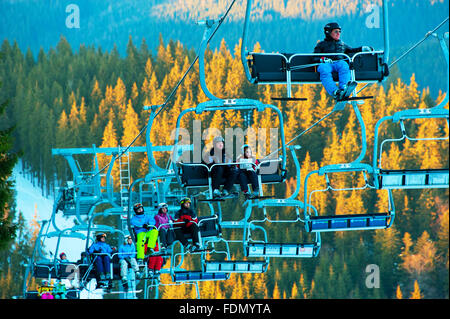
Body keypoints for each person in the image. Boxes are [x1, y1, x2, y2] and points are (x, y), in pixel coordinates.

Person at [313, 22, 373, 100]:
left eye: (339, 32)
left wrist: (362, 49)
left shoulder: (341, 44)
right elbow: (314, 57)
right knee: (324, 69)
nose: (338, 33)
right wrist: (323, 59)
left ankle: (343, 88)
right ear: (328, 32)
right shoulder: (321, 45)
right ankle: (335, 91)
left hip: (338, 63)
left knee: (344, 65)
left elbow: (352, 50)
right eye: (335, 31)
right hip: (327, 64)